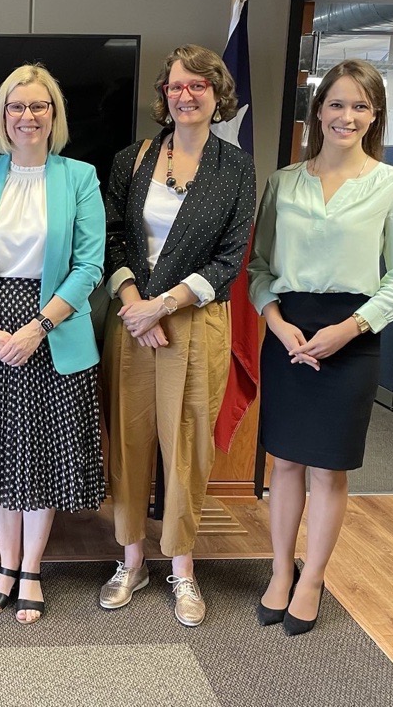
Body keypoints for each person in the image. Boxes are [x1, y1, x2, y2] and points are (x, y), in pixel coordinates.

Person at [248, 59, 393, 636]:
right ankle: (279, 570)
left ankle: (314, 578)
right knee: (286, 461)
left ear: (374, 117)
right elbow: (261, 268)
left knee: (328, 468)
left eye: (360, 106)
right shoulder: (282, 182)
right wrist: (275, 321)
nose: (347, 116)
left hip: (352, 335)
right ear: (318, 111)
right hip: (289, 331)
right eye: (337, 104)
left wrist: (348, 328)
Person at [99, 44, 256, 627]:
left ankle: (183, 569)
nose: (184, 96)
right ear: (163, 95)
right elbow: (111, 235)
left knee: (187, 446)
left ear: (218, 95)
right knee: (130, 440)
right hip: (132, 322)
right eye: (175, 86)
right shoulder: (132, 159)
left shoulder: (235, 166)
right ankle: (132, 559)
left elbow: (229, 258)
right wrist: (134, 303)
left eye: (197, 86)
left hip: (194, 323)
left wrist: (163, 304)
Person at [0, 63, 105, 624]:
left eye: (39, 106)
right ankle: (5, 563)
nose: (28, 116)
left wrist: (38, 327)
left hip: (51, 331)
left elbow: (90, 266)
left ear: (53, 115)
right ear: (2, 116)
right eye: (17, 106)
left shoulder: (79, 176)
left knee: (39, 454)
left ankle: (31, 567)